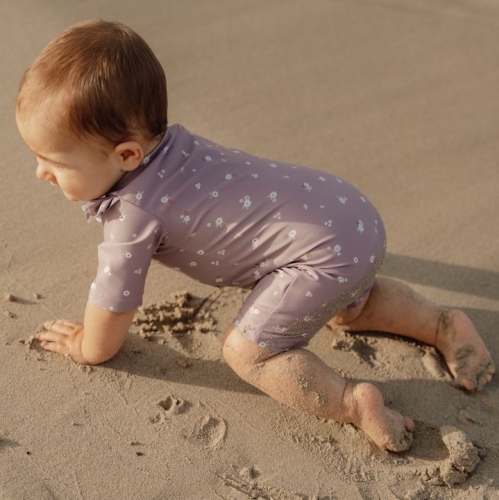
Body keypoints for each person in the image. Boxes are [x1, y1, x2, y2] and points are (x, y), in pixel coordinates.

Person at [15, 20, 495, 452]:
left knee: (246, 351)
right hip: (347, 213)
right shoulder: (177, 143)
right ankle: (440, 325)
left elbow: (113, 305)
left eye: (54, 162)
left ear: (126, 155)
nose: (41, 173)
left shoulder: (132, 215)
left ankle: (351, 402)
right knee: (353, 305)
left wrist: (86, 347)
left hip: (319, 258)